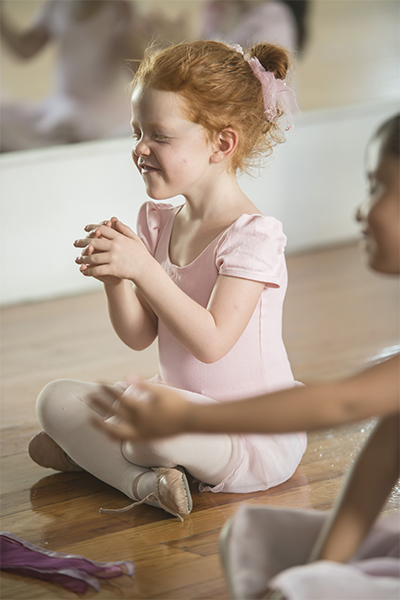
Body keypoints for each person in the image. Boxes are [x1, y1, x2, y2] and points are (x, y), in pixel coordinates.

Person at [86, 114, 400, 598]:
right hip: (188, 412)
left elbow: (339, 404)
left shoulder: (253, 232)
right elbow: (381, 459)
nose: (362, 210)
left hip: (235, 436)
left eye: (378, 188)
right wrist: (322, 570)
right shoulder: (161, 223)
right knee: (247, 533)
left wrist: (185, 421)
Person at [28, 40, 305, 522]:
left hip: (245, 429)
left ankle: (94, 458)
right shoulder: (158, 221)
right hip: (171, 402)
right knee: (55, 398)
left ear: (222, 143)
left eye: (159, 135)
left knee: (145, 424)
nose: (139, 148)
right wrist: (115, 277)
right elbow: (140, 336)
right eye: (137, 131)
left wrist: (143, 269)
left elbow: (212, 343)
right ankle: (147, 481)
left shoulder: (253, 235)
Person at [0, 0, 137, 151]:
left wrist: (129, 30)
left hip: (103, 113)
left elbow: (136, 66)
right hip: (63, 104)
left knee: (68, 126)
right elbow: (25, 49)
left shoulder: (119, 8)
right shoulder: (57, 5)